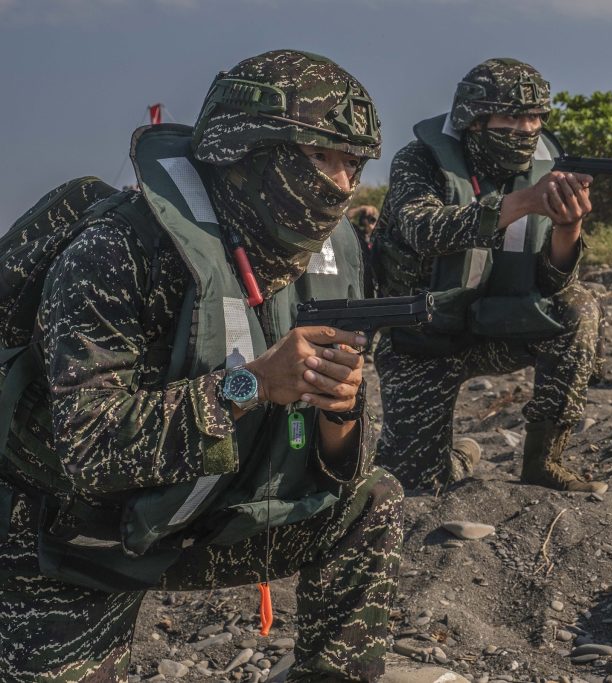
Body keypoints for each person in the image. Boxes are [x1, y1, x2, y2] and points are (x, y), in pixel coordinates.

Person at [0, 50, 402, 682]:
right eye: (321, 158)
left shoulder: (323, 262)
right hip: (74, 539)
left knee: (374, 501)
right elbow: (91, 450)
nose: (343, 184)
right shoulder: (117, 253)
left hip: (208, 518)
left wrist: (340, 410)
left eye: (353, 164)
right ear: (249, 154)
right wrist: (252, 384)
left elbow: (342, 464)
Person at [371, 58, 604, 493]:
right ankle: (460, 457)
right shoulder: (420, 160)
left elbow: (555, 285)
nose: (526, 128)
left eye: (535, 117)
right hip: (421, 341)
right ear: (474, 121)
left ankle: (543, 460)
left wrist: (568, 227)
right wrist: (523, 202)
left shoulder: (547, 166)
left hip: (496, 329)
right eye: (512, 116)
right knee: (413, 485)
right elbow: (423, 229)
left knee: (580, 307)